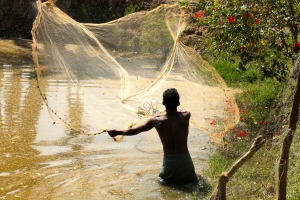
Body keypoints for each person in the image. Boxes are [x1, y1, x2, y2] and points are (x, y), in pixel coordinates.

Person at [107, 88, 198, 184]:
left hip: (169, 163)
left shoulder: (156, 121)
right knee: (191, 183)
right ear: (178, 103)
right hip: (185, 161)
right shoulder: (186, 115)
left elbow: (135, 130)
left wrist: (117, 132)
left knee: (165, 185)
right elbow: (178, 112)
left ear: (163, 102)